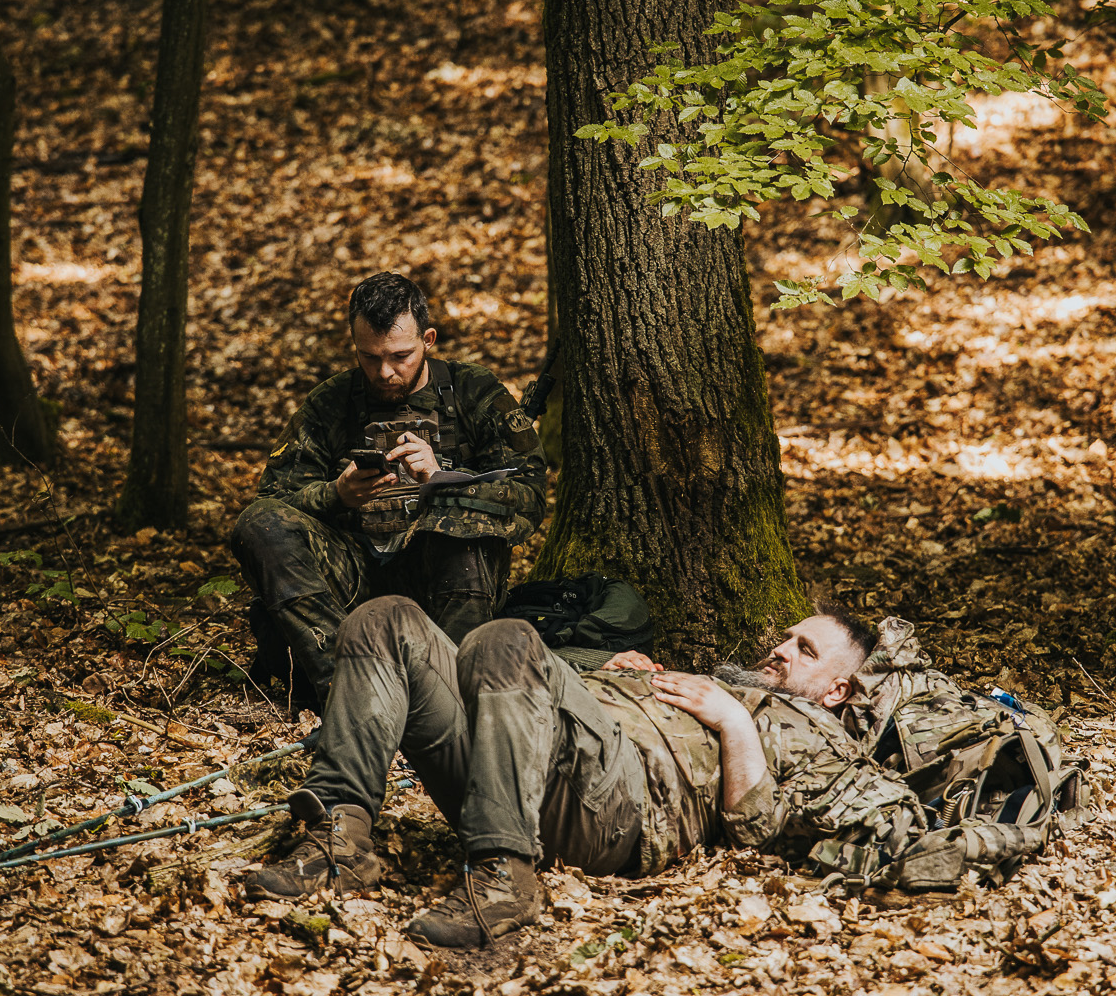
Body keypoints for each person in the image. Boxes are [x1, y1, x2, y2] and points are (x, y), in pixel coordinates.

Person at [247, 595, 878, 948]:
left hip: (621, 810)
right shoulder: (716, 681)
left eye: (805, 650)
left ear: (836, 692)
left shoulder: (813, 733)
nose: (780, 649)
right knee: (385, 620)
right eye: (787, 635)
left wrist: (735, 724)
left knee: (505, 638)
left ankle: (502, 877)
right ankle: (338, 840)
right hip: (526, 764)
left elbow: (762, 837)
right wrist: (609, 677)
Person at [230, 272, 546, 705]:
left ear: (428, 339)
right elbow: (272, 503)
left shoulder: (474, 391)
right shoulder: (331, 403)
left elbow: (530, 496)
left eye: (400, 356)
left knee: (461, 526)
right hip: (354, 578)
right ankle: (347, 691)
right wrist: (336, 494)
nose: (385, 372)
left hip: (444, 581)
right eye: (369, 357)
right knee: (258, 525)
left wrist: (442, 481)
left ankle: (450, 700)